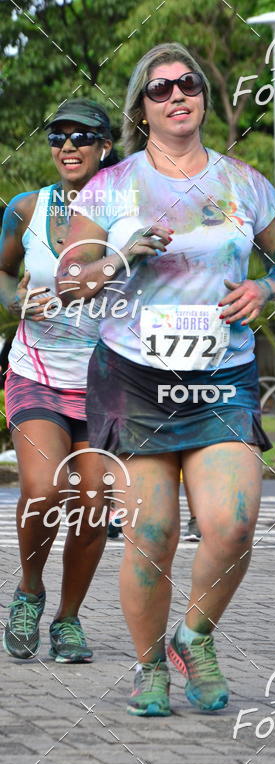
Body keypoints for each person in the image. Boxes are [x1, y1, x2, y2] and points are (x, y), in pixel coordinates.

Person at [59, 42, 275, 717]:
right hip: (133, 381)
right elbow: (69, 282)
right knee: (154, 532)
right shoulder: (111, 188)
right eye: (160, 88)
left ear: (202, 95)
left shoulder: (245, 184)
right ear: (141, 109)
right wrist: (118, 256)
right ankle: (147, 667)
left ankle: (192, 638)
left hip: (222, 377)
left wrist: (265, 288)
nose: (177, 95)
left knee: (233, 523)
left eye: (188, 83)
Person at [0, 99, 114, 663]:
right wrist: (17, 298)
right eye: (57, 136)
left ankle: (67, 619)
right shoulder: (25, 209)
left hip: (107, 383)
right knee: (44, 491)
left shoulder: (128, 215)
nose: (68, 146)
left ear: (105, 147)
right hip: (37, 374)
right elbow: (0, 273)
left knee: (93, 506)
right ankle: (29, 591)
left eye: (82, 136)